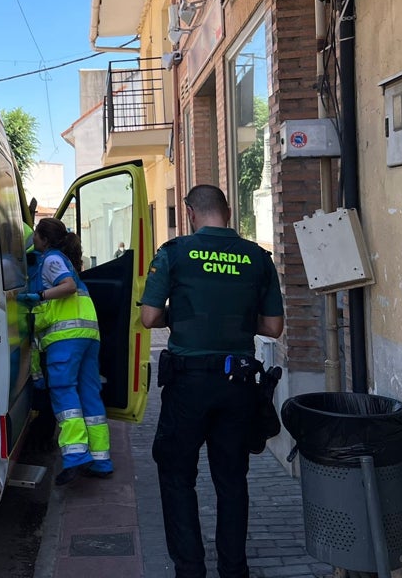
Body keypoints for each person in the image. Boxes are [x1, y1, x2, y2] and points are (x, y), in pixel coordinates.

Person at [139, 185, 284, 578]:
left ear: (189, 212)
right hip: (238, 383)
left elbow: (149, 318)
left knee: (176, 475)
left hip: (188, 386)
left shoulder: (174, 253)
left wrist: (188, 314)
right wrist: (231, 317)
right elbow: (273, 327)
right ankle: (234, 570)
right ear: (230, 211)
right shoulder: (258, 257)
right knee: (232, 479)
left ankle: (190, 569)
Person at [18, 217, 114, 484]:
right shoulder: (65, 259)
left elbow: (68, 287)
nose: (33, 238)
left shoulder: (51, 259)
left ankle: (74, 456)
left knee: (63, 391)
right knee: (89, 395)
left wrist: (39, 297)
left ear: (45, 240)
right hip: (87, 334)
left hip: (66, 337)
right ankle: (101, 459)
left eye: (36, 234)